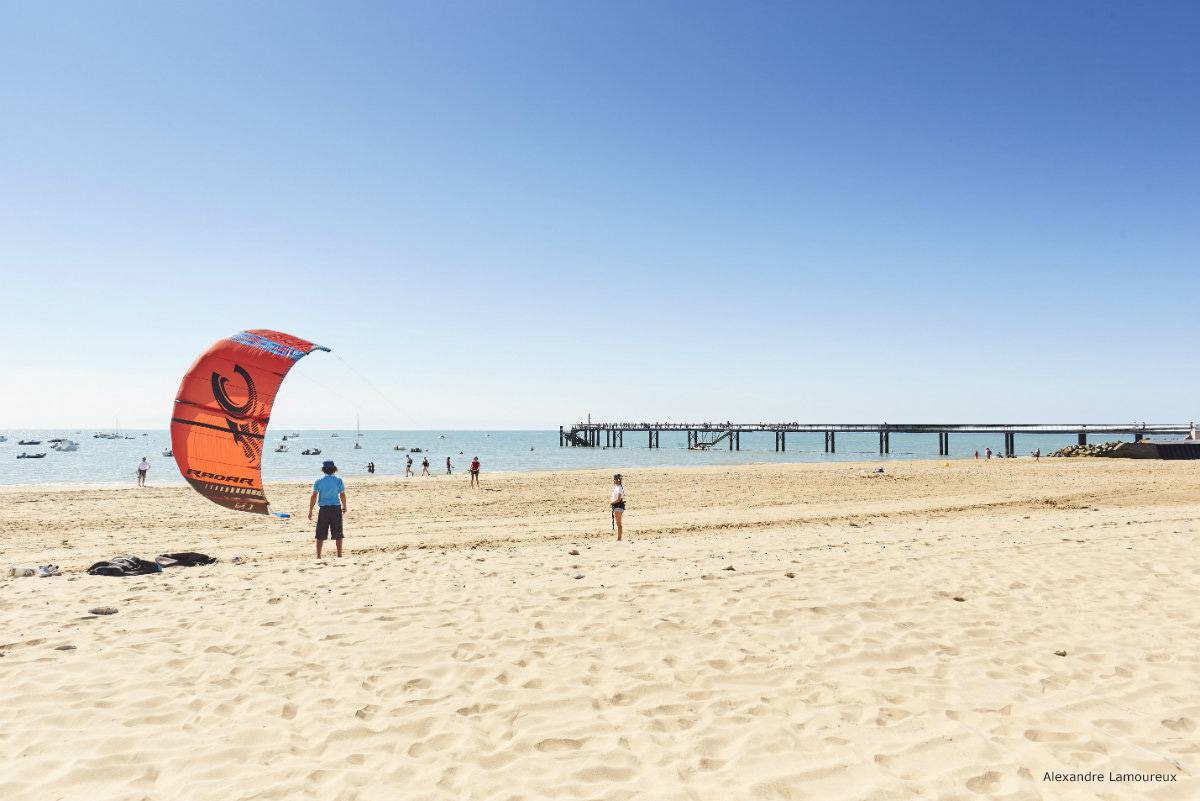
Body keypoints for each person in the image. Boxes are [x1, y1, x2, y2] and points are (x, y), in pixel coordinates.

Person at [308, 460, 347, 559]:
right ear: (334, 469)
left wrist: (310, 510)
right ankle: (339, 555)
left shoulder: (319, 481)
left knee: (320, 533)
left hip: (324, 510)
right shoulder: (338, 480)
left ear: (323, 469)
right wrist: (345, 506)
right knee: (338, 533)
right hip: (336, 509)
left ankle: (318, 556)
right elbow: (342, 495)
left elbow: (314, 496)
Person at [610, 474, 626, 541]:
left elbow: (619, 499)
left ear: (617, 480)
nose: (613, 480)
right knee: (618, 523)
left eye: (614, 479)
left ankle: (619, 538)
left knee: (619, 523)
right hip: (617, 506)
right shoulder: (618, 487)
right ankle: (619, 538)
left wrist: (612, 503)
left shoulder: (619, 488)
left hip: (618, 506)